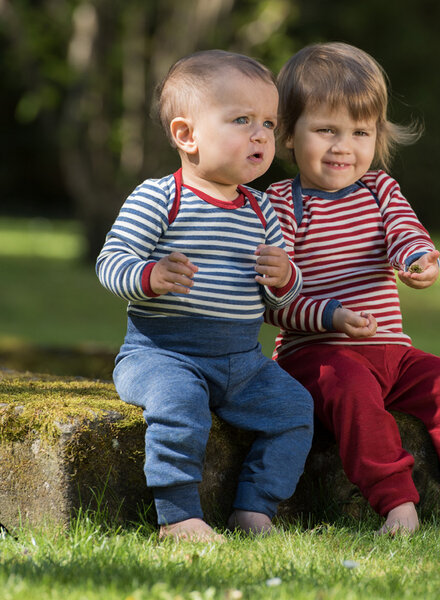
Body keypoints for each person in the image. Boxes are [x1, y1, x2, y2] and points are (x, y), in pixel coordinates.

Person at [264, 42, 440, 536]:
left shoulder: (381, 189)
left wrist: (419, 260)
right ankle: (397, 503)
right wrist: (330, 316)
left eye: (360, 132)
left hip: (392, 353)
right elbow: (275, 298)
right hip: (319, 356)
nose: (343, 146)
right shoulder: (279, 205)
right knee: (349, 386)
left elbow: (404, 233)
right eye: (326, 130)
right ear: (289, 133)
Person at [96, 50, 314, 543]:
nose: (260, 134)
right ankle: (179, 516)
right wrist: (150, 276)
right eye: (241, 120)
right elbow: (110, 263)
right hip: (161, 353)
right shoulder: (159, 197)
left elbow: (280, 304)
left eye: (267, 122)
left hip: (242, 360)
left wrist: (284, 277)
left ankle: (256, 507)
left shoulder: (262, 210)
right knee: (178, 404)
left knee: (295, 409)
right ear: (186, 135)